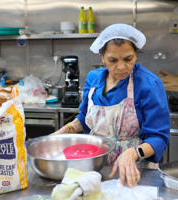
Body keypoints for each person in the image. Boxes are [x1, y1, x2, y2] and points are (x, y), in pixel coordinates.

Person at [52, 24, 170, 187]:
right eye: (112, 60)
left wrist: (134, 153)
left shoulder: (149, 85)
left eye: (128, 59)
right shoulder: (93, 79)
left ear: (136, 55)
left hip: (134, 171)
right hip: (94, 167)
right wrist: (62, 132)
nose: (121, 67)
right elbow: (84, 118)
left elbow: (159, 138)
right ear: (102, 56)